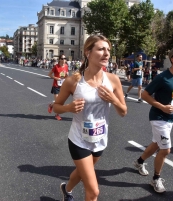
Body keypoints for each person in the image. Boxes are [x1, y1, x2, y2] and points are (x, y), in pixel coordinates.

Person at [53, 35, 127, 201]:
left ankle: (66, 189)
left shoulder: (113, 80)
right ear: (88, 52)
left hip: (100, 138)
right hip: (79, 139)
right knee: (93, 192)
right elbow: (56, 107)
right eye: (101, 49)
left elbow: (123, 111)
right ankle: (68, 190)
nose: (106, 53)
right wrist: (68, 108)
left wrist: (113, 99)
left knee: (80, 173)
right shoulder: (73, 81)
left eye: (108, 49)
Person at [133, 46, 173, 193]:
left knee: (156, 144)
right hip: (158, 116)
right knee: (165, 149)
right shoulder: (162, 77)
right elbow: (146, 94)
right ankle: (156, 179)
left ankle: (139, 162)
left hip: (170, 117)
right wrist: (161, 106)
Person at [47, 55, 69, 120]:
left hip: (62, 85)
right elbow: (49, 74)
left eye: (65, 58)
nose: (64, 60)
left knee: (60, 101)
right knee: (58, 102)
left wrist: (67, 75)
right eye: (62, 58)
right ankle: (57, 115)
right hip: (56, 85)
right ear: (59, 59)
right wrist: (55, 78)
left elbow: (66, 76)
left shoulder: (66, 66)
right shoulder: (56, 67)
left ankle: (51, 105)